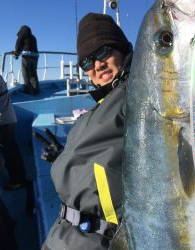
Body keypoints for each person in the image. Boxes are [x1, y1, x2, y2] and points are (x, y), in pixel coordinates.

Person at [41, 13, 133, 250]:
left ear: (123, 50)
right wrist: (63, 156)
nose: (97, 65)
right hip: (61, 237)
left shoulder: (137, 94)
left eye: (104, 52)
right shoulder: (103, 104)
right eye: (87, 62)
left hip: (103, 241)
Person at [0, 73, 26, 190]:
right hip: (8, 118)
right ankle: (20, 177)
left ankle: (17, 180)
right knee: (11, 150)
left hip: (2, 121)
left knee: (9, 152)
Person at [14, 25, 40, 95]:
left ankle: (27, 89)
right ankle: (36, 90)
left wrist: (16, 54)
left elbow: (18, 45)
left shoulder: (22, 34)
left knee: (25, 73)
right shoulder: (33, 37)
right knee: (33, 73)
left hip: (26, 56)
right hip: (35, 56)